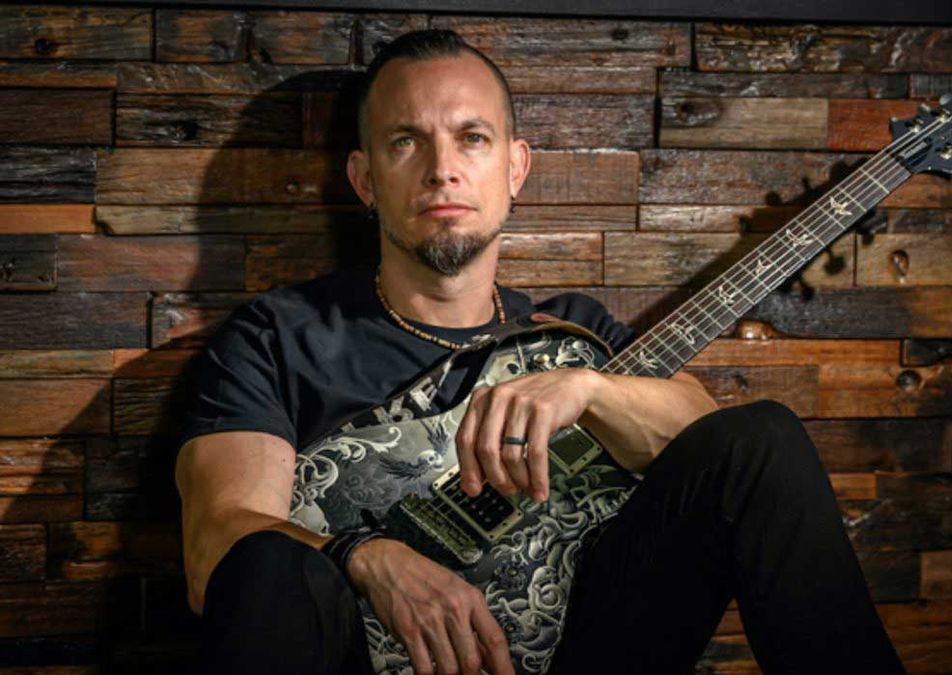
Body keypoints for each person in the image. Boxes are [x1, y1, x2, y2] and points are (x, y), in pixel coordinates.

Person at [175, 29, 904, 675]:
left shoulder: (574, 335)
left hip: (584, 648)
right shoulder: (280, 337)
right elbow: (219, 547)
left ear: (515, 168)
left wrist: (588, 389)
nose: (441, 168)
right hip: (354, 652)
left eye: (472, 138)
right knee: (271, 561)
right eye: (407, 141)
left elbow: (712, 446)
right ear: (365, 179)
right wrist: (368, 559)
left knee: (763, 437)